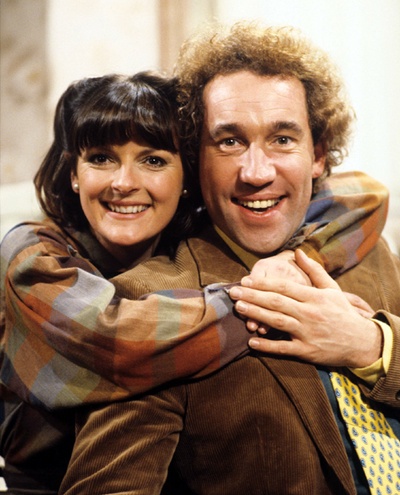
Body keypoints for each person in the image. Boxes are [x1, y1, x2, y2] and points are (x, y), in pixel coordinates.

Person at [0, 70, 385, 493]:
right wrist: (278, 302)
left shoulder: (190, 238)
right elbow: (117, 344)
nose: (124, 183)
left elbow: (364, 195)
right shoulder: (33, 255)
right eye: (101, 158)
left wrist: (294, 262)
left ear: (186, 177)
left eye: (152, 160)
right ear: (73, 172)